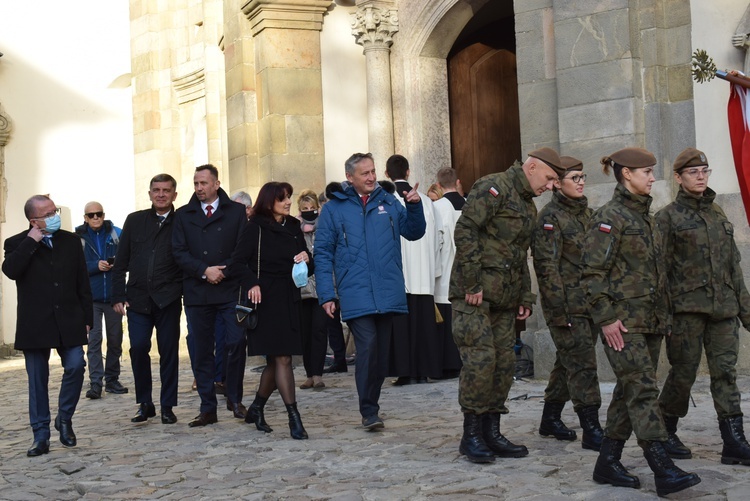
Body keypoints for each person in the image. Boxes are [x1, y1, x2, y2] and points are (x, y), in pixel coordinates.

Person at [581, 147, 701, 496]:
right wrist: (605, 319)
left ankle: (607, 462)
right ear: (626, 174)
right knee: (644, 389)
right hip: (622, 323)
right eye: (646, 172)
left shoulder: (647, 218)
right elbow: (592, 274)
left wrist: (664, 317)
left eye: (651, 171)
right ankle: (662, 467)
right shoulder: (609, 217)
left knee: (628, 391)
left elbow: (657, 274)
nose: (652, 177)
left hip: (649, 321)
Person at [450, 148, 564, 464]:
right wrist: (472, 281)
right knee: (481, 360)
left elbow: (519, 253)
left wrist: (525, 297)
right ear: (531, 166)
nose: (552, 186)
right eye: (550, 178)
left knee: (503, 363)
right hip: (474, 295)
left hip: (504, 299)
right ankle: (471, 435)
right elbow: (466, 230)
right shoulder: (493, 186)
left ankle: (491, 431)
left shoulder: (528, 205)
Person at [315, 152, 425, 430]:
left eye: (373, 171)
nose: (372, 177)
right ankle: (369, 410)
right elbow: (323, 253)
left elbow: (414, 232)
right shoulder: (333, 209)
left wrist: (414, 206)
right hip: (355, 291)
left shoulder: (389, 201)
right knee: (368, 347)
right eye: (365, 173)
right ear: (350, 178)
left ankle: (372, 404)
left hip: (387, 290)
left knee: (380, 352)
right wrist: (327, 294)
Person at [657, 147, 750, 465]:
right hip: (686, 312)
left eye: (704, 171)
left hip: (723, 310)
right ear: (679, 177)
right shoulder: (667, 218)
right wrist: (663, 316)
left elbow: (733, 267)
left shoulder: (718, 214)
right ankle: (665, 430)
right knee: (683, 373)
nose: (700, 177)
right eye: (693, 172)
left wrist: (745, 310)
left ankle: (734, 442)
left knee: (725, 373)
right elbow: (660, 273)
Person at [2, 195, 92, 457]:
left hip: (70, 319)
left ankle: (64, 419)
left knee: (76, 365)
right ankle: (40, 435)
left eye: (56, 211)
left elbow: (82, 282)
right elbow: (11, 270)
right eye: (49, 213)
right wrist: (32, 241)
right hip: (35, 323)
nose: (55, 216)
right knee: (37, 381)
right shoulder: (17, 243)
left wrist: (88, 318)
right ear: (34, 221)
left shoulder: (71, 241)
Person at [229, 181, 312, 439]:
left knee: (277, 361)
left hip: (289, 297)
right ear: (269, 202)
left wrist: (307, 259)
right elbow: (236, 264)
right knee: (282, 359)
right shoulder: (254, 227)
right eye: (283, 198)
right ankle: (294, 418)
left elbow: (310, 268)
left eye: (289, 197)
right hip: (264, 298)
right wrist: (251, 283)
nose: (288, 202)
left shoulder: (294, 227)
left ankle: (256, 407)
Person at [532, 156, 603, 451]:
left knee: (568, 361)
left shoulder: (589, 215)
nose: (581, 182)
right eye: (574, 178)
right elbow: (547, 269)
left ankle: (550, 418)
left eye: (583, 176)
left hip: (590, 303)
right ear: (557, 184)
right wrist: (559, 312)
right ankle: (591, 427)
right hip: (567, 305)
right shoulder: (550, 218)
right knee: (583, 365)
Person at [172, 164, 248, 427]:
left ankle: (235, 399)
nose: (199, 188)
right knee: (201, 350)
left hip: (229, 289)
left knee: (236, 342)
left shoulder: (236, 212)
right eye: (195, 183)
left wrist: (222, 272)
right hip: (197, 291)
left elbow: (242, 248)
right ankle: (208, 407)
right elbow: (178, 252)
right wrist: (204, 270)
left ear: (216, 184)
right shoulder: (183, 215)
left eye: (203, 183)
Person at [112, 174, 183, 425]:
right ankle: (145, 403)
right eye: (156, 190)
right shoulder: (135, 220)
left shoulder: (182, 221)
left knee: (169, 352)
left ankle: (167, 405)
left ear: (174, 194)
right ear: (150, 193)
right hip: (138, 299)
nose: (161, 194)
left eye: (166, 190)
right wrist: (118, 295)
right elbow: (120, 262)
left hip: (169, 298)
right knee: (139, 347)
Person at [385, 154, 440, 385]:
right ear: (408, 172)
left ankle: (405, 371)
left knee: (402, 327)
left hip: (400, 273)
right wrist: (433, 269)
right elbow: (437, 238)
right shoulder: (426, 201)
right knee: (423, 324)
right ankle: (423, 370)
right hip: (423, 272)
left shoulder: (387, 199)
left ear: (387, 174)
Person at [75, 202, 128, 399]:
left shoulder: (116, 233)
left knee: (115, 339)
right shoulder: (78, 238)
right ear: (85, 218)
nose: (95, 218)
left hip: (114, 297)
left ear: (103, 215)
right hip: (91, 299)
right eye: (91, 215)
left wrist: (116, 263)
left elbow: (128, 258)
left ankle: (112, 379)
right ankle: (96, 383)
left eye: (98, 214)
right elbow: (75, 266)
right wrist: (96, 265)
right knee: (94, 341)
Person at [432, 167, 463, 379]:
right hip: (467, 273)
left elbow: (437, 241)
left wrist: (432, 271)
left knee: (445, 321)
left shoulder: (438, 207)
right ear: (458, 182)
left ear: (439, 186)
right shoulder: (469, 205)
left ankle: (447, 365)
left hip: (445, 273)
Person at [295, 189, 328, 390]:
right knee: (305, 333)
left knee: (319, 330)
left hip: (322, 286)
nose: (309, 211)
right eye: (305, 209)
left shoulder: (325, 227)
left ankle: (317, 374)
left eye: (312, 208)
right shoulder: (295, 230)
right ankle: (309, 373)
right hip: (302, 287)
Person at [319, 182, 349, 375]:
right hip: (332, 278)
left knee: (334, 322)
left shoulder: (335, 214)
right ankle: (339, 358)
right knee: (332, 322)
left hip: (339, 278)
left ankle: (340, 358)